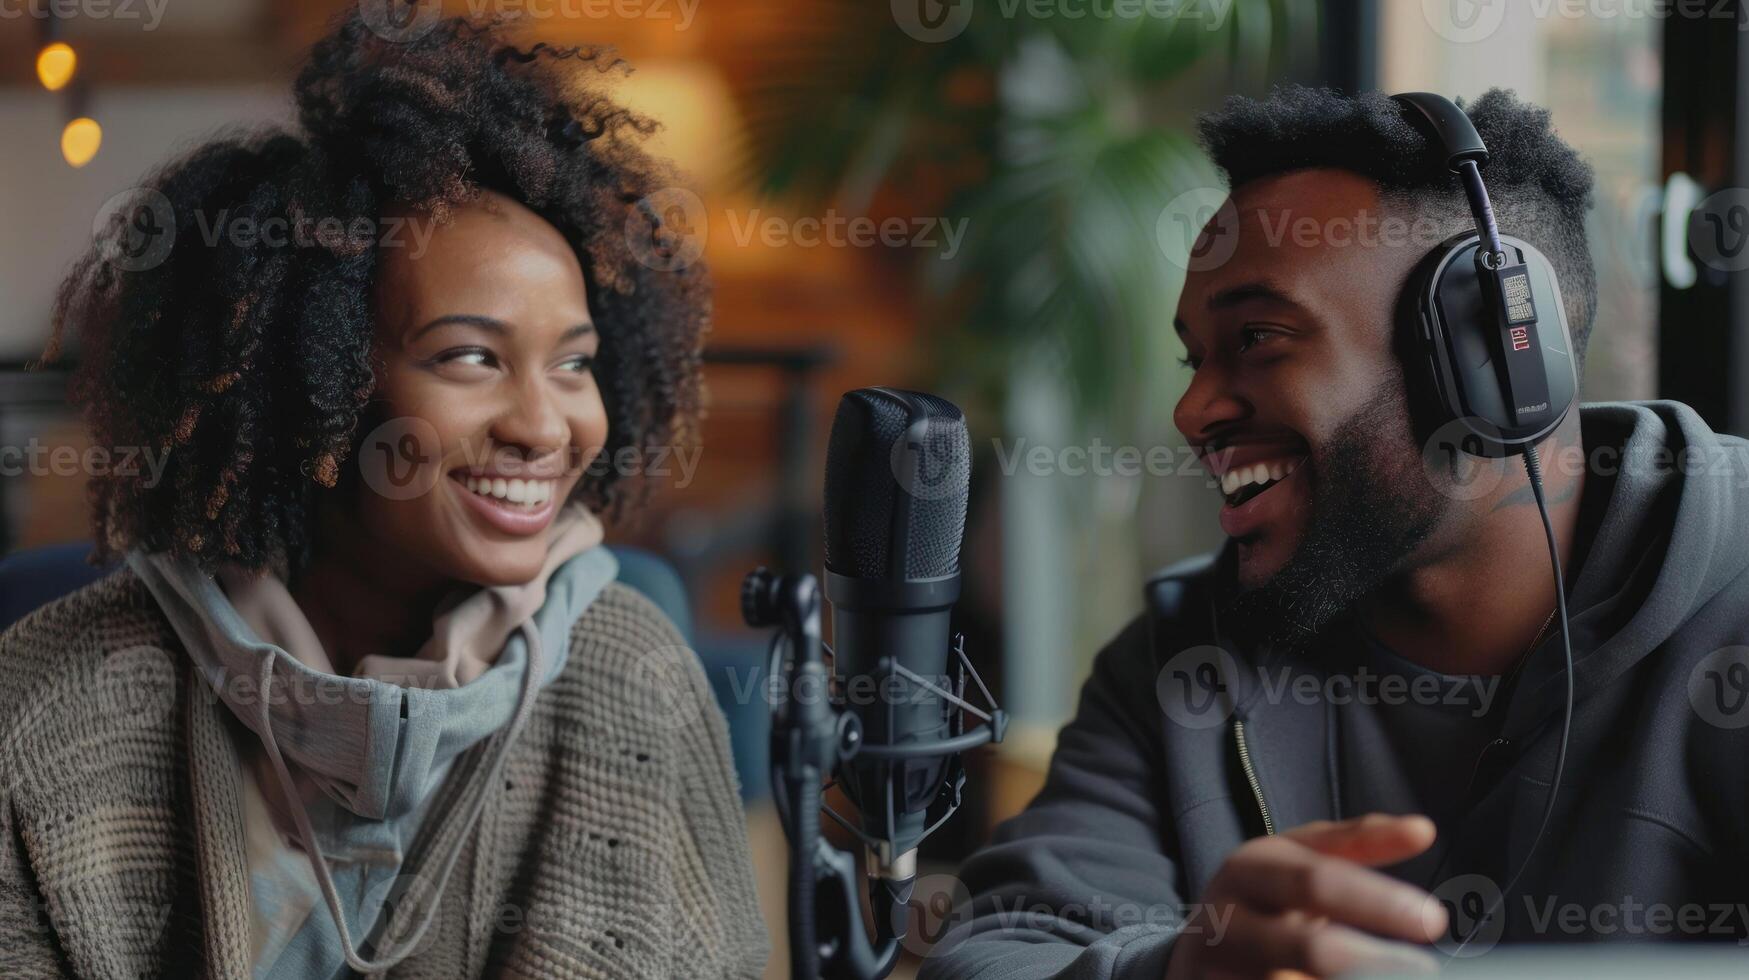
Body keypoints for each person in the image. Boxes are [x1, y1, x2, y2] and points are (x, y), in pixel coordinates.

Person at [0, 10, 766, 978]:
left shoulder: (635, 682)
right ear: (305, 386)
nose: (544, 424)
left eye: (573, 364)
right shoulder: (45, 705)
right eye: (470, 356)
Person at [920, 88, 1749, 980]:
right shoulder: (1180, 664)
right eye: (1195, 358)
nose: (1191, 409)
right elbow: (991, 955)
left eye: (1260, 338)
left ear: (1491, 365)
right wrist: (1167, 972)